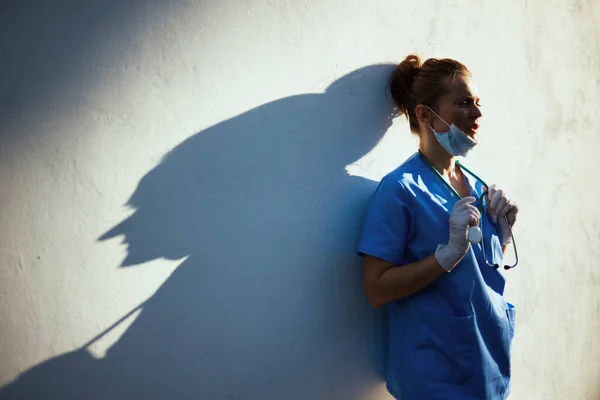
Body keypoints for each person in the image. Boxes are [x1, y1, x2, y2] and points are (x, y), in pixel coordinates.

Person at [357, 55, 519, 399]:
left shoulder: (477, 186)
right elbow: (375, 289)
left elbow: (480, 274)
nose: (477, 114)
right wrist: (444, 256)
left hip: (488, 368)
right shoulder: (400, 189)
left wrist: (502, 235)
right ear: (425, 114)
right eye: (463, 103)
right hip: (435, 377)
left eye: (477, 103)